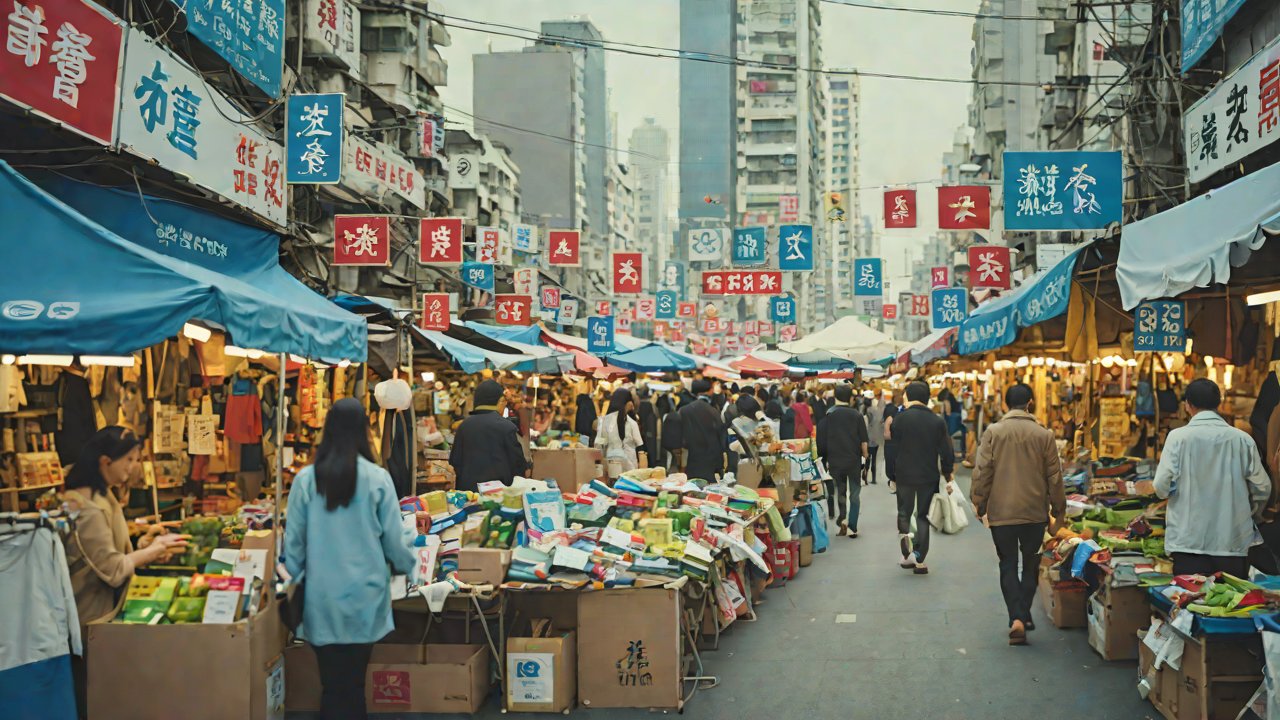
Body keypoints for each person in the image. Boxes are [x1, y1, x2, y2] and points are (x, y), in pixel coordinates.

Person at [284, 398, 418, 720]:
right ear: (364, 432)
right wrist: (412, 567)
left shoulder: (305, 480)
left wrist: (293, 577)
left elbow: (294, 548)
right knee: (355, 684)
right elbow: (395, 542)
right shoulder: (378, 479)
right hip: (365, 596)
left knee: (331, 684)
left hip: (321, 598)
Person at [1143, 379, 1271, 577]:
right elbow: (1262, 487)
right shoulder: (1242, 439)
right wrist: (1251, 514)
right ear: (1218, 404)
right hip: (1232, 542)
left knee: (1190, 603)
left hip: (1188, 543)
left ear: (1188, 405)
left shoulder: (1178, 438)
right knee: (1228, 602)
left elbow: (1161, 487)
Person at [970, 383, 1066, 645]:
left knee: (1007, 563)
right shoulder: (1044, 435)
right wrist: (1059, 510)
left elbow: (982, 471)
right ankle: (1022, 614)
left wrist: (978, 502)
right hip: (1034, 514)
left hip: (1002, 513)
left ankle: (1017, 617)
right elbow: (1054, 477)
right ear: (1030, 404)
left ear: (1005, 405)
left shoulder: (994, 432)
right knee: (1032, 564)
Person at [889, 382, 954, 574]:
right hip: (928, 475)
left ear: (908, 395)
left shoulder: (900, 419)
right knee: (922, 516)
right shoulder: (937, 421)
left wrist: (891, 475)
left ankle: (906, 555)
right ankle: (920, 559)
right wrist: (948, 475)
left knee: (904, 513)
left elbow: (892, 450)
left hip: (904, 475)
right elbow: (946, 452)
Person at [450, 380, 531, 492]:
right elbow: (518, 466)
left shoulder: (463, 427)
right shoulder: (507, 427)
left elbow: (455, 461)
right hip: (499, 497)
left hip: (469, 496)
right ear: (499, 401)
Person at [816, 385, 869, 537]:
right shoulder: (857, 415)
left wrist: (824, 460)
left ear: (835, 397)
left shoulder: (829, 415)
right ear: (851, 398)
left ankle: (842, 518)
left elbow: (822, 441)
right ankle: (852, 525)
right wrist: (865, 457)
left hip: (835, 461)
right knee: (855, 494)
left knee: (840, 492)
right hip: (853, 461)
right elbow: (864, 442)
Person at [679, 378, 728, 480]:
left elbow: (681, 438)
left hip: (692, 460)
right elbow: (722, 437)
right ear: (709, 391)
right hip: (711, 462)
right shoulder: (713, 411)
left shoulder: (684, 410)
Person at [595, 388, 645, 474]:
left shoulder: (605, 421)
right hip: (630, 470)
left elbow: (599, 444)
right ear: (628, 403)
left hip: (611, 467)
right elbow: (641, 448)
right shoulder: (632, 423)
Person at [863, 392, 885, 485]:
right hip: (875, 438)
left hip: (867, 439)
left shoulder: (864, 412)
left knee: (867, 458)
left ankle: (865, 476)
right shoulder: (876, 411)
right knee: (874, 459)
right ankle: (874, 478)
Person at [882, 390, 902, 487]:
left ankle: (893, 481)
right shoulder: (894, 411)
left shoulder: (889, 408)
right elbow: (888, 422)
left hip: (890, 441)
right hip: (893, 440)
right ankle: (894, 481)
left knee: (890, 462)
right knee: (893, 463)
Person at [636, 386, 659, 467]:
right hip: (649, 432)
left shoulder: (639, 405)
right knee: (650, 449)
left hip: (640, 432)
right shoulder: (650, 405)